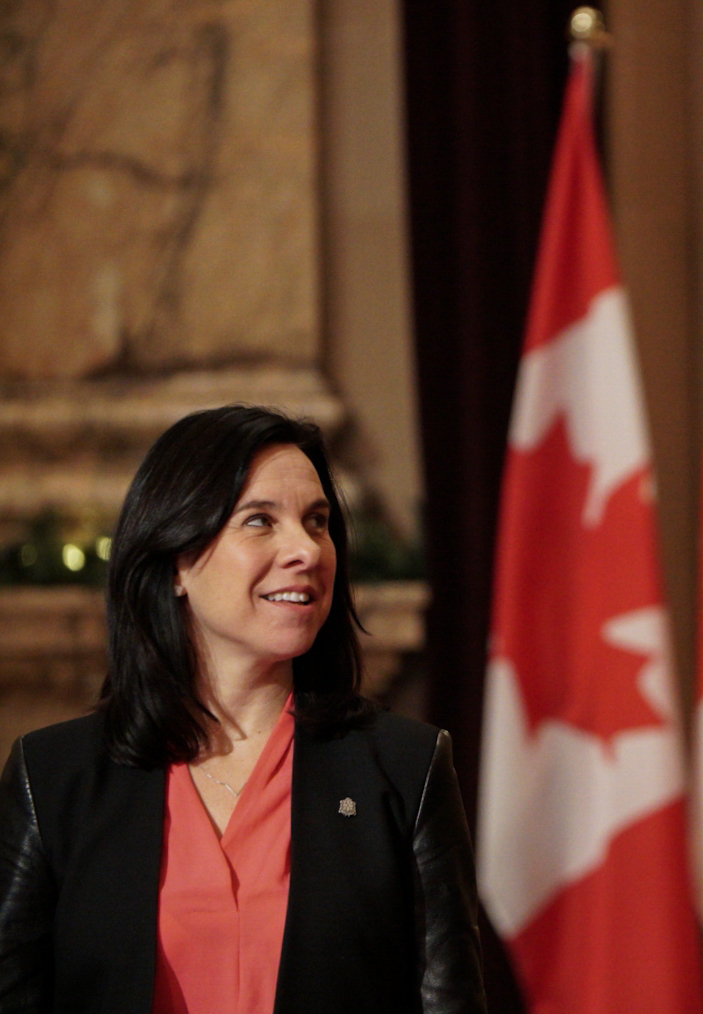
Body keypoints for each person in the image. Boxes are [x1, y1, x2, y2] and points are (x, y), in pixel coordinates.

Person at [0, 405, 486, 1014]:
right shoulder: (51, 778)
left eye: (317, 522)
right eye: (260, 520)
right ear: (176, 558)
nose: (305, 550)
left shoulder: (405, 769)